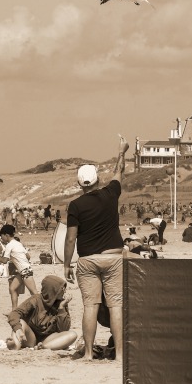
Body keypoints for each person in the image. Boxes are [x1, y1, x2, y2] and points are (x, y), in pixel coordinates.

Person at [63, 135, 129, 362]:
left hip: (88, 259)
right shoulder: (110, 194)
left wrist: (66, 265)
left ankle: (89, 353)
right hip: (113, 257)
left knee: (90, 306)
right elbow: (120, 172)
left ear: (80, 184)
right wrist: (122, 151)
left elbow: (70, 239)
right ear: (98, 179)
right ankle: (120, 354)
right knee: (116, 306)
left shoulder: (76, 205)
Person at [5, 275, 78, 351]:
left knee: (72, 335)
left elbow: (63, 330)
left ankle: (43, 347)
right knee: (20, 322)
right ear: (53, 289)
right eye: (62, 289)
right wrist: (18, 329)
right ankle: (15, 346)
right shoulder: (35, 300)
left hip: (48, 339)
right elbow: (14, 314)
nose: (65, 291)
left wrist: (61, 308)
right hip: (30, 337)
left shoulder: (61, 303)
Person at [0, 224, 39, 308]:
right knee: (12, 288)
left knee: (34, 293)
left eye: (1, 236)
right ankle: (14, 310)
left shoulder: (9, 245)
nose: (1, 238)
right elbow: (28, 256)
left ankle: (44, 309)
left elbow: (4, 260)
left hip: (25, 272)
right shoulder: (18, 243)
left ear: (6, 235)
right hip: (24, 270)